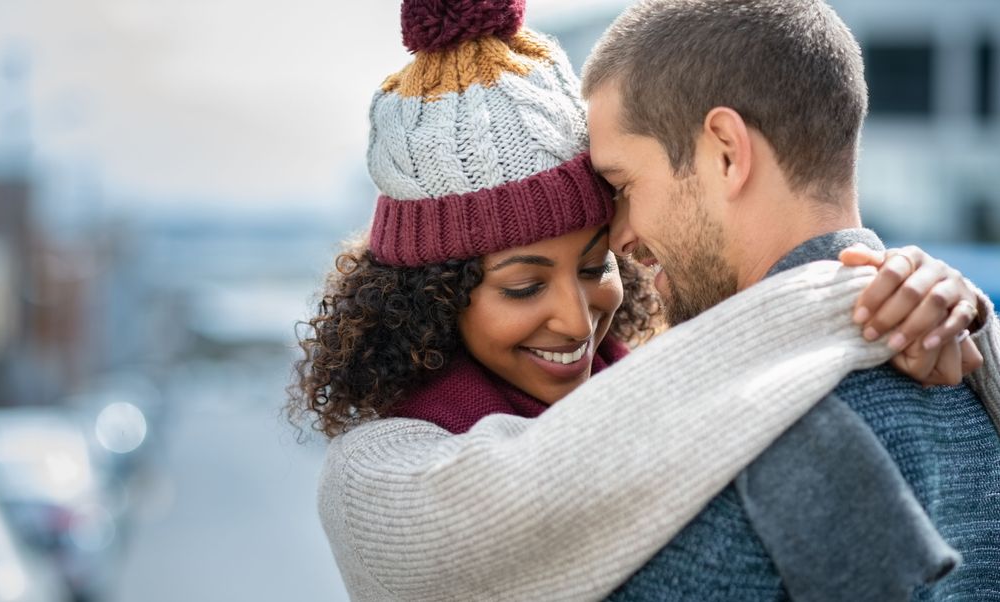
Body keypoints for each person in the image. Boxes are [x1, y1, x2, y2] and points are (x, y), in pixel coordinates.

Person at [292, 1, 999, 600]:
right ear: (427, 300)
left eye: (619, 198)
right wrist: (845, 297)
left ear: (726, 151)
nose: (578, 318)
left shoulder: (885, 367)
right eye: (523, 284)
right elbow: (518, 485)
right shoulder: (939, 359)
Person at [581, 0, 1000, 599]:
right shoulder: (975, 375)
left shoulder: (735, 440)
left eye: (622, 185)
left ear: (726, 151)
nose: (618, 233)